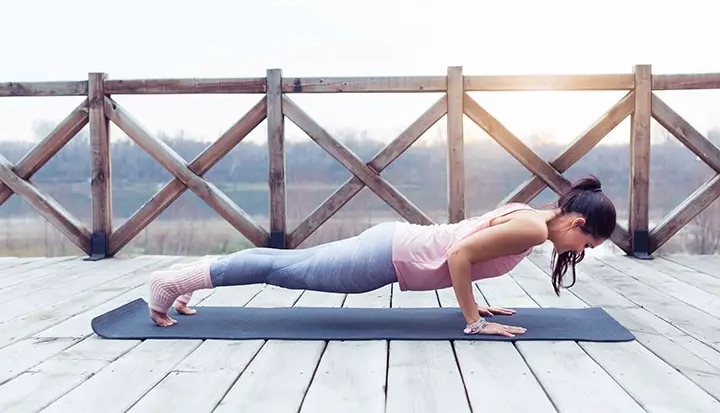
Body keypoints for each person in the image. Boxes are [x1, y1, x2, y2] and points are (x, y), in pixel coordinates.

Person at [147, 175, 616, 337]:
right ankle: (170, 284)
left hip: (391, 244)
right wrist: (473, 320)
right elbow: (458, 254)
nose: (582, 252)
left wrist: (477, 302)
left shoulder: (532, 214)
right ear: (577, 224)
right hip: (387, 257)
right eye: (588, 245)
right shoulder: (533, 230)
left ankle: (186, 282)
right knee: (281, 269)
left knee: (283, 263)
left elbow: (466, 252)